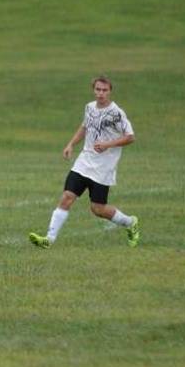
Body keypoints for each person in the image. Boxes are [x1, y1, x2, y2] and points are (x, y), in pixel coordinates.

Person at [29, 76, 140, 249]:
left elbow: (130, 137)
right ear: (93, 90)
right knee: (67, 197)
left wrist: (107, 144)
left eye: (104, 90)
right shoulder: (89, 107)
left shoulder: (116, 113)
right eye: (98, 89)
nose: (101, 93)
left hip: (104, 168)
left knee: (98, 209)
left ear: (110, 91)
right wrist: (71, 144)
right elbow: (85, 127)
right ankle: (49, 239)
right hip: (84, 162)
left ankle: (130, 222)